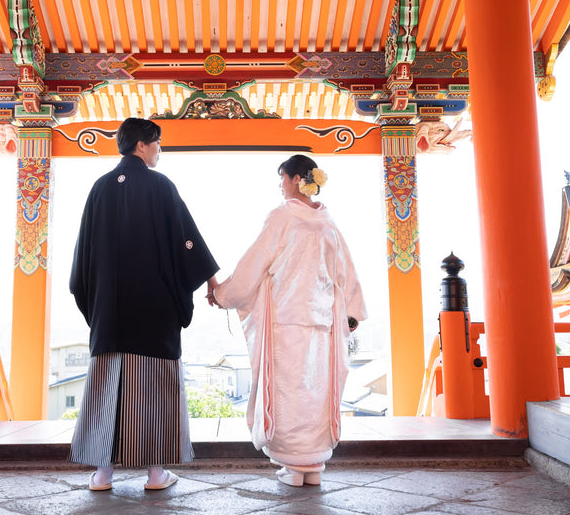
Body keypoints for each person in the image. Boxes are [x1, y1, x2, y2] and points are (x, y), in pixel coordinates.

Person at [69, 117, 219, 491]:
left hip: (110, 315)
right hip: (154, 312)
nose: (159, 151)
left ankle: (102, 474)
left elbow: (82, 259)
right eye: (157, 144)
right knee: (156, 390)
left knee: (107, 388)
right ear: (142, 145)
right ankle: (155, 474)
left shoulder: (100, 188)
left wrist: (99, 307)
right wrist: (211, 280)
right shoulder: (159, 186)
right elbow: (187, 241)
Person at [210, 154, 367, 486]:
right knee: (316, 391)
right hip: (322, 324)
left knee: (290, 392)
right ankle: (313, 466)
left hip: (286, 321)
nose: (280, 186)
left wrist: (224, 294)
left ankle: (295, 466)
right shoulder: (328, 222)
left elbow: (255, 263)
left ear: (296, 179)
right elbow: (345, 274)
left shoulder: (282, 218)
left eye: (282, 178)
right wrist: (351, 313)